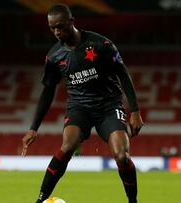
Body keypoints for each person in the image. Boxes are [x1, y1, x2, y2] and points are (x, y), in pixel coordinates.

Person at [21, 4, 143, 203]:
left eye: (60, 26)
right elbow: (48, 91)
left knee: (122, 155)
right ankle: (41, 199)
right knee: (67, 146)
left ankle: (133, 201)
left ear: (71, 21)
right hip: (79, 107)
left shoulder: (100, 44)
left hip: (109, 107)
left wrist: (135, 111)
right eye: (52, 28)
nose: (56, 32)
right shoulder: (54, 57)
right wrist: (33, 128)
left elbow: (123, 74)